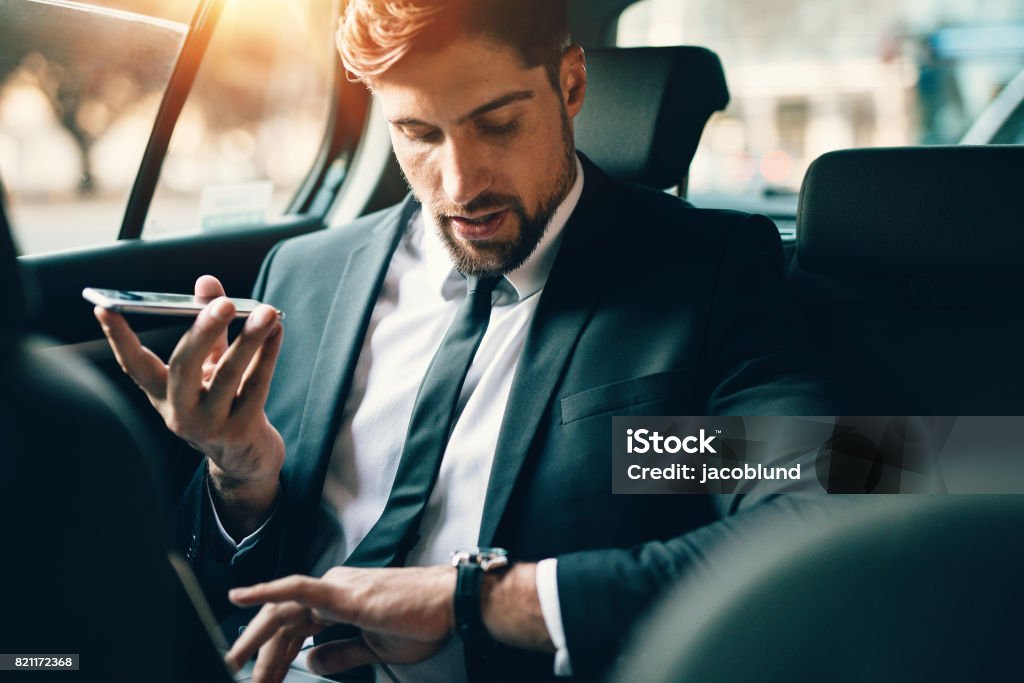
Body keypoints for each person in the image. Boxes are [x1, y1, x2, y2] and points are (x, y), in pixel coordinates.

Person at [95, 1, 829, 681]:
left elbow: (828, 496)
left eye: (498, 124)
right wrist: (238, 476)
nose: (460, 182)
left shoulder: (704, 274)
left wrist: (477, 598)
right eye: (417, 134)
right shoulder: (306, 273)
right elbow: (213, 590)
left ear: (571, 84)